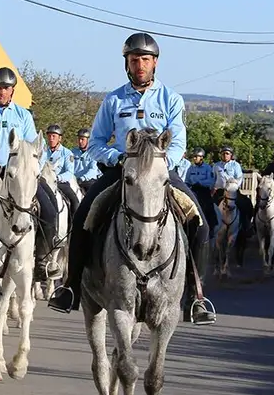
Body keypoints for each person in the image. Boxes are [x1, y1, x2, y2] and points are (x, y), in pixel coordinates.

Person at [46, 32, 215, 325]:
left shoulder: (171, 99)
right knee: (83, 215)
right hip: (121, 172)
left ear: (155, 63)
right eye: (134, 60)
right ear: (126, 63)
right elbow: (97, 141)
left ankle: (195, 297)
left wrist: (161, 166)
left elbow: (178, 142)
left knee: (199, 221)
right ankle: (71, 286)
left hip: (161, 174)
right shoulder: (113, 100)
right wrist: (117, 159)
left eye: (145, 60)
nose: (140, 65)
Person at [0, 66, 63, 280]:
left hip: (20, 176)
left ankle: (42, 261)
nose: (1, 92)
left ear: (12, 91)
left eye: (6, 88)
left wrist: (32, 170)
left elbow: (35, 148)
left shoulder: (23, 115)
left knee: (51, 208)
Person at [41, 125, 79, 217]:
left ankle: (73, 227)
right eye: (49, 136)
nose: (51, 138)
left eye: (54, 136)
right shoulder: (42, 151)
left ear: (59, 138)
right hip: (43, 183)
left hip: (60, 183)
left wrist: (57, 178)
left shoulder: (67, 153)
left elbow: (70, 172)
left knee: (75, 202)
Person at [185, 147, 217, 232]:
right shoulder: (191, 168)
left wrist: (199, 182)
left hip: (203, 191)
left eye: (196, 156)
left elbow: (210, 181)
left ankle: (212, 227)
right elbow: (187, 181)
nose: (194, 158)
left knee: (209, 208)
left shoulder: (207, 168)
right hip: (193, 191)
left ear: (202, 157)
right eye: (194, 157)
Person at [71, 127, 101, 192]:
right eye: (79, 139)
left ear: (89, 140)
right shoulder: (73, 152)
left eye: (82, 139)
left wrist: (82, 178)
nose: (80, 141)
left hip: (88, 181)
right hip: (74, 180)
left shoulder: (94, 153)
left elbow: (93, 170)